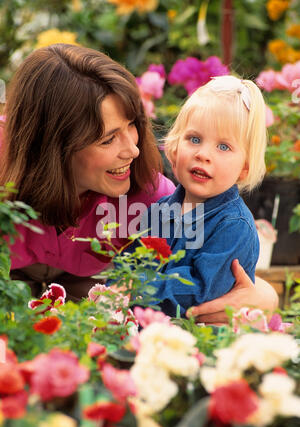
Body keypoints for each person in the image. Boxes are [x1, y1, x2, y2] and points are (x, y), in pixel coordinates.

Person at [0, 44, 278, 322]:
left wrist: (266, 297)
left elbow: (219, 278)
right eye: (108, 139)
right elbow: (132, 263)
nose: (132, 150)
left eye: (131, 125)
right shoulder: (165, 210)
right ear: (53, 145)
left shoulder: (149, 195)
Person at [135, 76, 269, 317]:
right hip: (150, 330)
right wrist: (115, 292)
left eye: (223, 147)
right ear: (175, 148)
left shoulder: (233, 227)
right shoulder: (158, 211)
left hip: (206, 339)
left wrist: (136, 288)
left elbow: (197, 291)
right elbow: (130, 264)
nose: (203, 154)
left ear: (244, 168)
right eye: (194, 139)